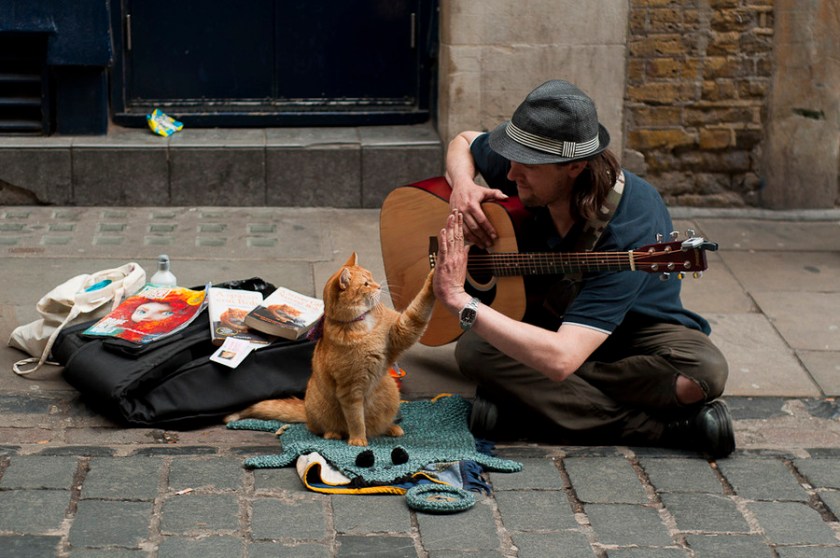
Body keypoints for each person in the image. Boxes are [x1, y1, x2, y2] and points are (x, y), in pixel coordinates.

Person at [431, 79, 734, 458]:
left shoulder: (631, 224)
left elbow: (561, 359)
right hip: (544, 316)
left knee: (701, 374)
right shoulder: (529, 160)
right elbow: (462, 140)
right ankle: (663, 429)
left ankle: (527, 403)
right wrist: (461, 186)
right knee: (477, 349)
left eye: (525, 165)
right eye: (511, 157)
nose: (510, 175)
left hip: (633, 330)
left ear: (575, 166)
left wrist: (459, 300)